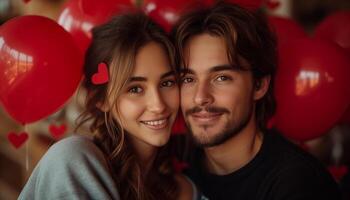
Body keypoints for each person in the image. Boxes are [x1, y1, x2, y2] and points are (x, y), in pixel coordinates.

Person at [19, 13, 199, 200]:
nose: (158, 105)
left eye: (167, 83)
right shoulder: (71, 159)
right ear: (101, 100)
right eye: (135, 89)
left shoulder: (188, 187)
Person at [171, 1, 341, 200]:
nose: (201, 97)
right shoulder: (174, 162)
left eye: (221, 78)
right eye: (188, 79)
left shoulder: (297, 183)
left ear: (259, 86)